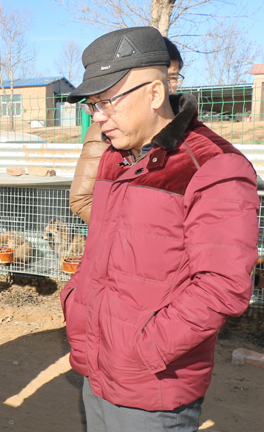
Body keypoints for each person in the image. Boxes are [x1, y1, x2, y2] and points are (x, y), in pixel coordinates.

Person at [60, 26, 259, 431]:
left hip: (153, 387)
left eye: (107, 102)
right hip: (97, 366)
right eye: (92, 106)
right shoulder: (115, 159)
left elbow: (223, 286)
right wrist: (76, 302)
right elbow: (100, 252)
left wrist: (141, 348)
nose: (98, 118)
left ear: (154, 94)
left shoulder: (212, 166)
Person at [69, 36, 184, 224]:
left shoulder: (199, 145)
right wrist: (127, 232)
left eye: (172, 78)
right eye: (97, 104)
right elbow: (81, 199)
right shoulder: (104, 132)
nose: (167, 86)